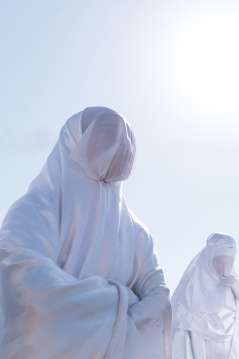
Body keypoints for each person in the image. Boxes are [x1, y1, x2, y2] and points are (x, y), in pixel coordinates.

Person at [0, 107, 172, 358]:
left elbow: (160, 300)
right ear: (74, 140)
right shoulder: (34, 211)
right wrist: (125, 307)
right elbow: (25, 287)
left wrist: (107, 317)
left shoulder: (139, 235)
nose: (114, 144)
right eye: (105, 136)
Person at [171, 233, 239, 359]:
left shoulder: (235, 288)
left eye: (229, 262)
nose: (223, 268)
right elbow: (178, 337)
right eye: (218, 261)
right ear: (208, 258)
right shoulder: (187, 293)